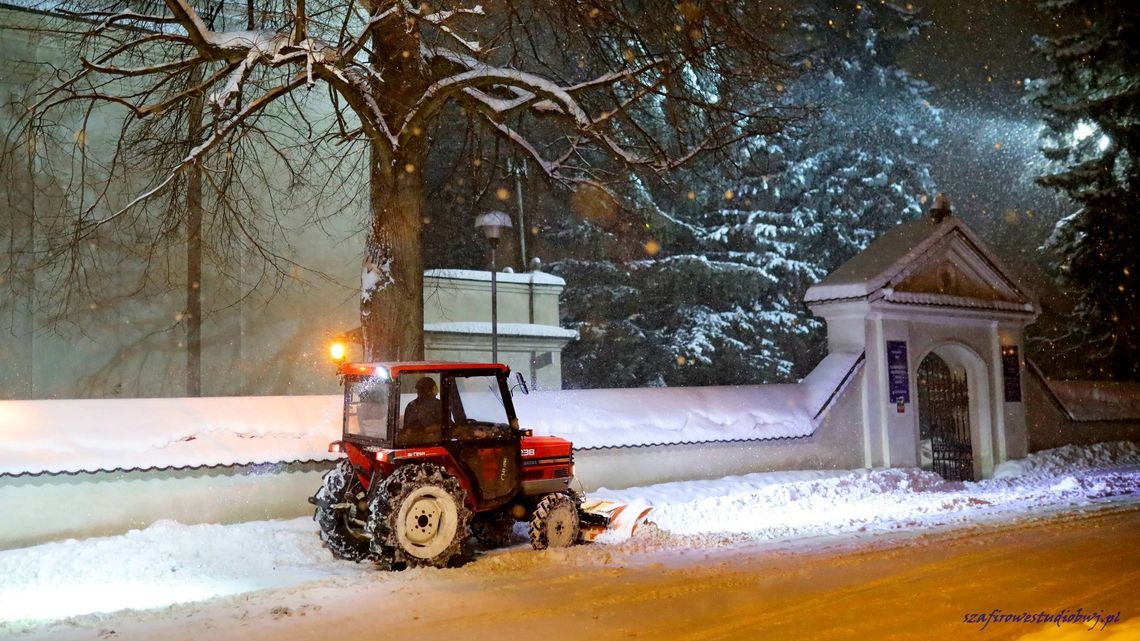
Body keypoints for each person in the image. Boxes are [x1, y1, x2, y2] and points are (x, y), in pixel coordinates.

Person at [402, 376, 442, 443]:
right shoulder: (438, 405)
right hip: (433, 444)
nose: (437, 392)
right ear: (432, 389)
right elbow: (447, 427)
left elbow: (407, 429)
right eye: (435, 388)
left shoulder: (411, 405)